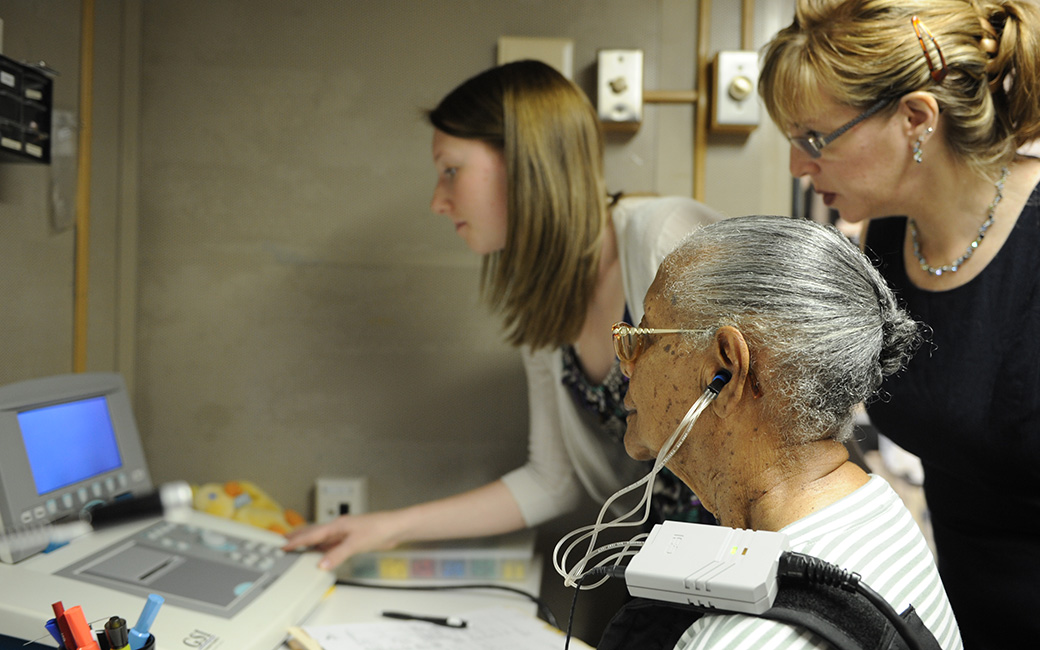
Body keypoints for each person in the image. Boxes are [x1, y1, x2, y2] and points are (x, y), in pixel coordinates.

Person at [283, 60, 723, 569]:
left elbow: (783, 398)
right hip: (664, 561)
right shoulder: (547, 311)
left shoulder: (664, 237)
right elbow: (550, 481)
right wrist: (387, 528)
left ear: (525, 162)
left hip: (749, 553)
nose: (437, 202)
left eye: (451, 170)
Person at [757, 1, 1040, 647]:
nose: (800, 166)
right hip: (967, 612)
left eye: (814, 139)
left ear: (916, 118)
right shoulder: (887, 240)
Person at [609, 215, 961, 649]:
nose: (626, 362)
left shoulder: (744, 642)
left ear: (726, 368)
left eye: (642, 334)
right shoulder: (877, 513)